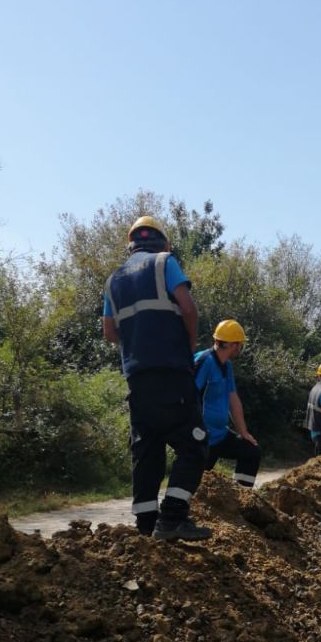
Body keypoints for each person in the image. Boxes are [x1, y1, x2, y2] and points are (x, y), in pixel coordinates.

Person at [102, 216, 210, 541]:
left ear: (131, 244)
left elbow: (109, 332)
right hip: (172, 372)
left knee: (146, 451)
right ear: (163, 243)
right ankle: (172, 519)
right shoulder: (165, 263)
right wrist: (187, 347)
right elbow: (188, 309)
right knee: (195, 444)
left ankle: (146, 527)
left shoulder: (114, 279)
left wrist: (138, 344)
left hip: (137, 379)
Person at [194, 320, 262, 487]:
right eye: (240, 345)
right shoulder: (204, 361)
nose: (240, 349)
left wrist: (244, 432)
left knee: (251, 451)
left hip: (220, 435)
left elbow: (233, 400)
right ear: (233, 345)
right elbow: (188, 396)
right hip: (202, 437)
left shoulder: (227, 366)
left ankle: (241, 498)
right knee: (194, 484)